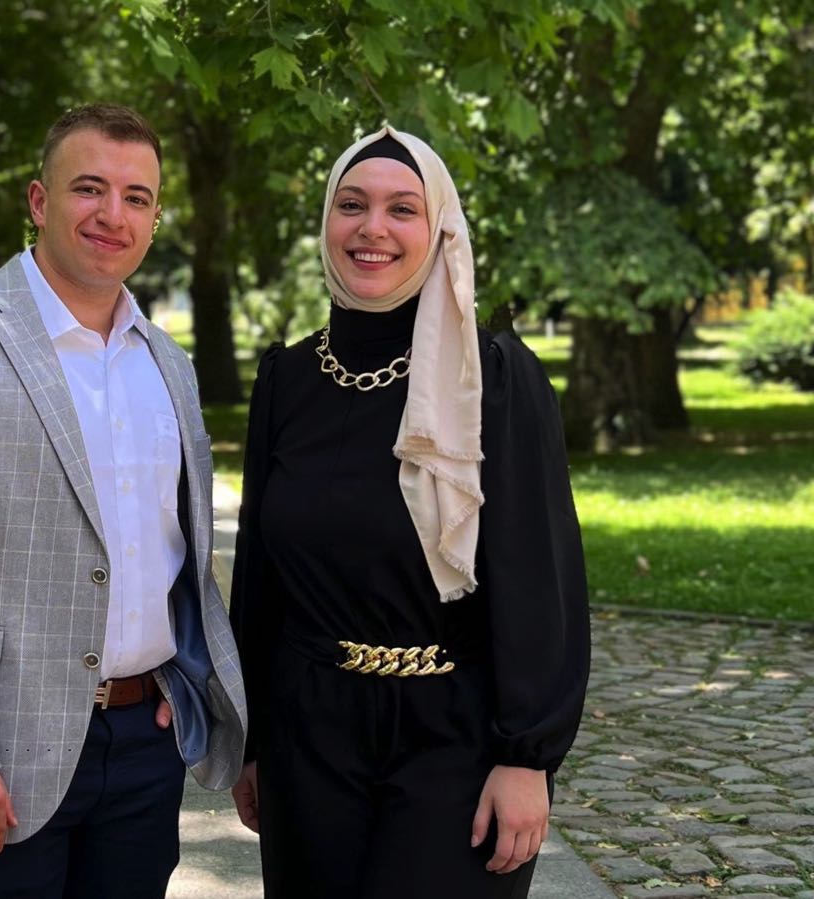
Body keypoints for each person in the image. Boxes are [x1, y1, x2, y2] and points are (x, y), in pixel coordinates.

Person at [0, 104, 246, 899]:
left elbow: (177, 557)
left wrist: (180, 681)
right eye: (89, 188)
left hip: (143, 751)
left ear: (155, 218)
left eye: (136, 197)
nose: (113, 214)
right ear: (39, 200)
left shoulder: (168, 363)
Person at [228, 126, 590, 898]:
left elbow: (539, 575)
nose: (373, 228)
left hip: (457, 738)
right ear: (327, 221)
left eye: (403, 209)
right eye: (351, 205)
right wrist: (253, 740)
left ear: (441, 229)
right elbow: (261, 575)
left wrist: (527, 756)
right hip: (307, 738)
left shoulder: (496, 379)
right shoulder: (287, 380)